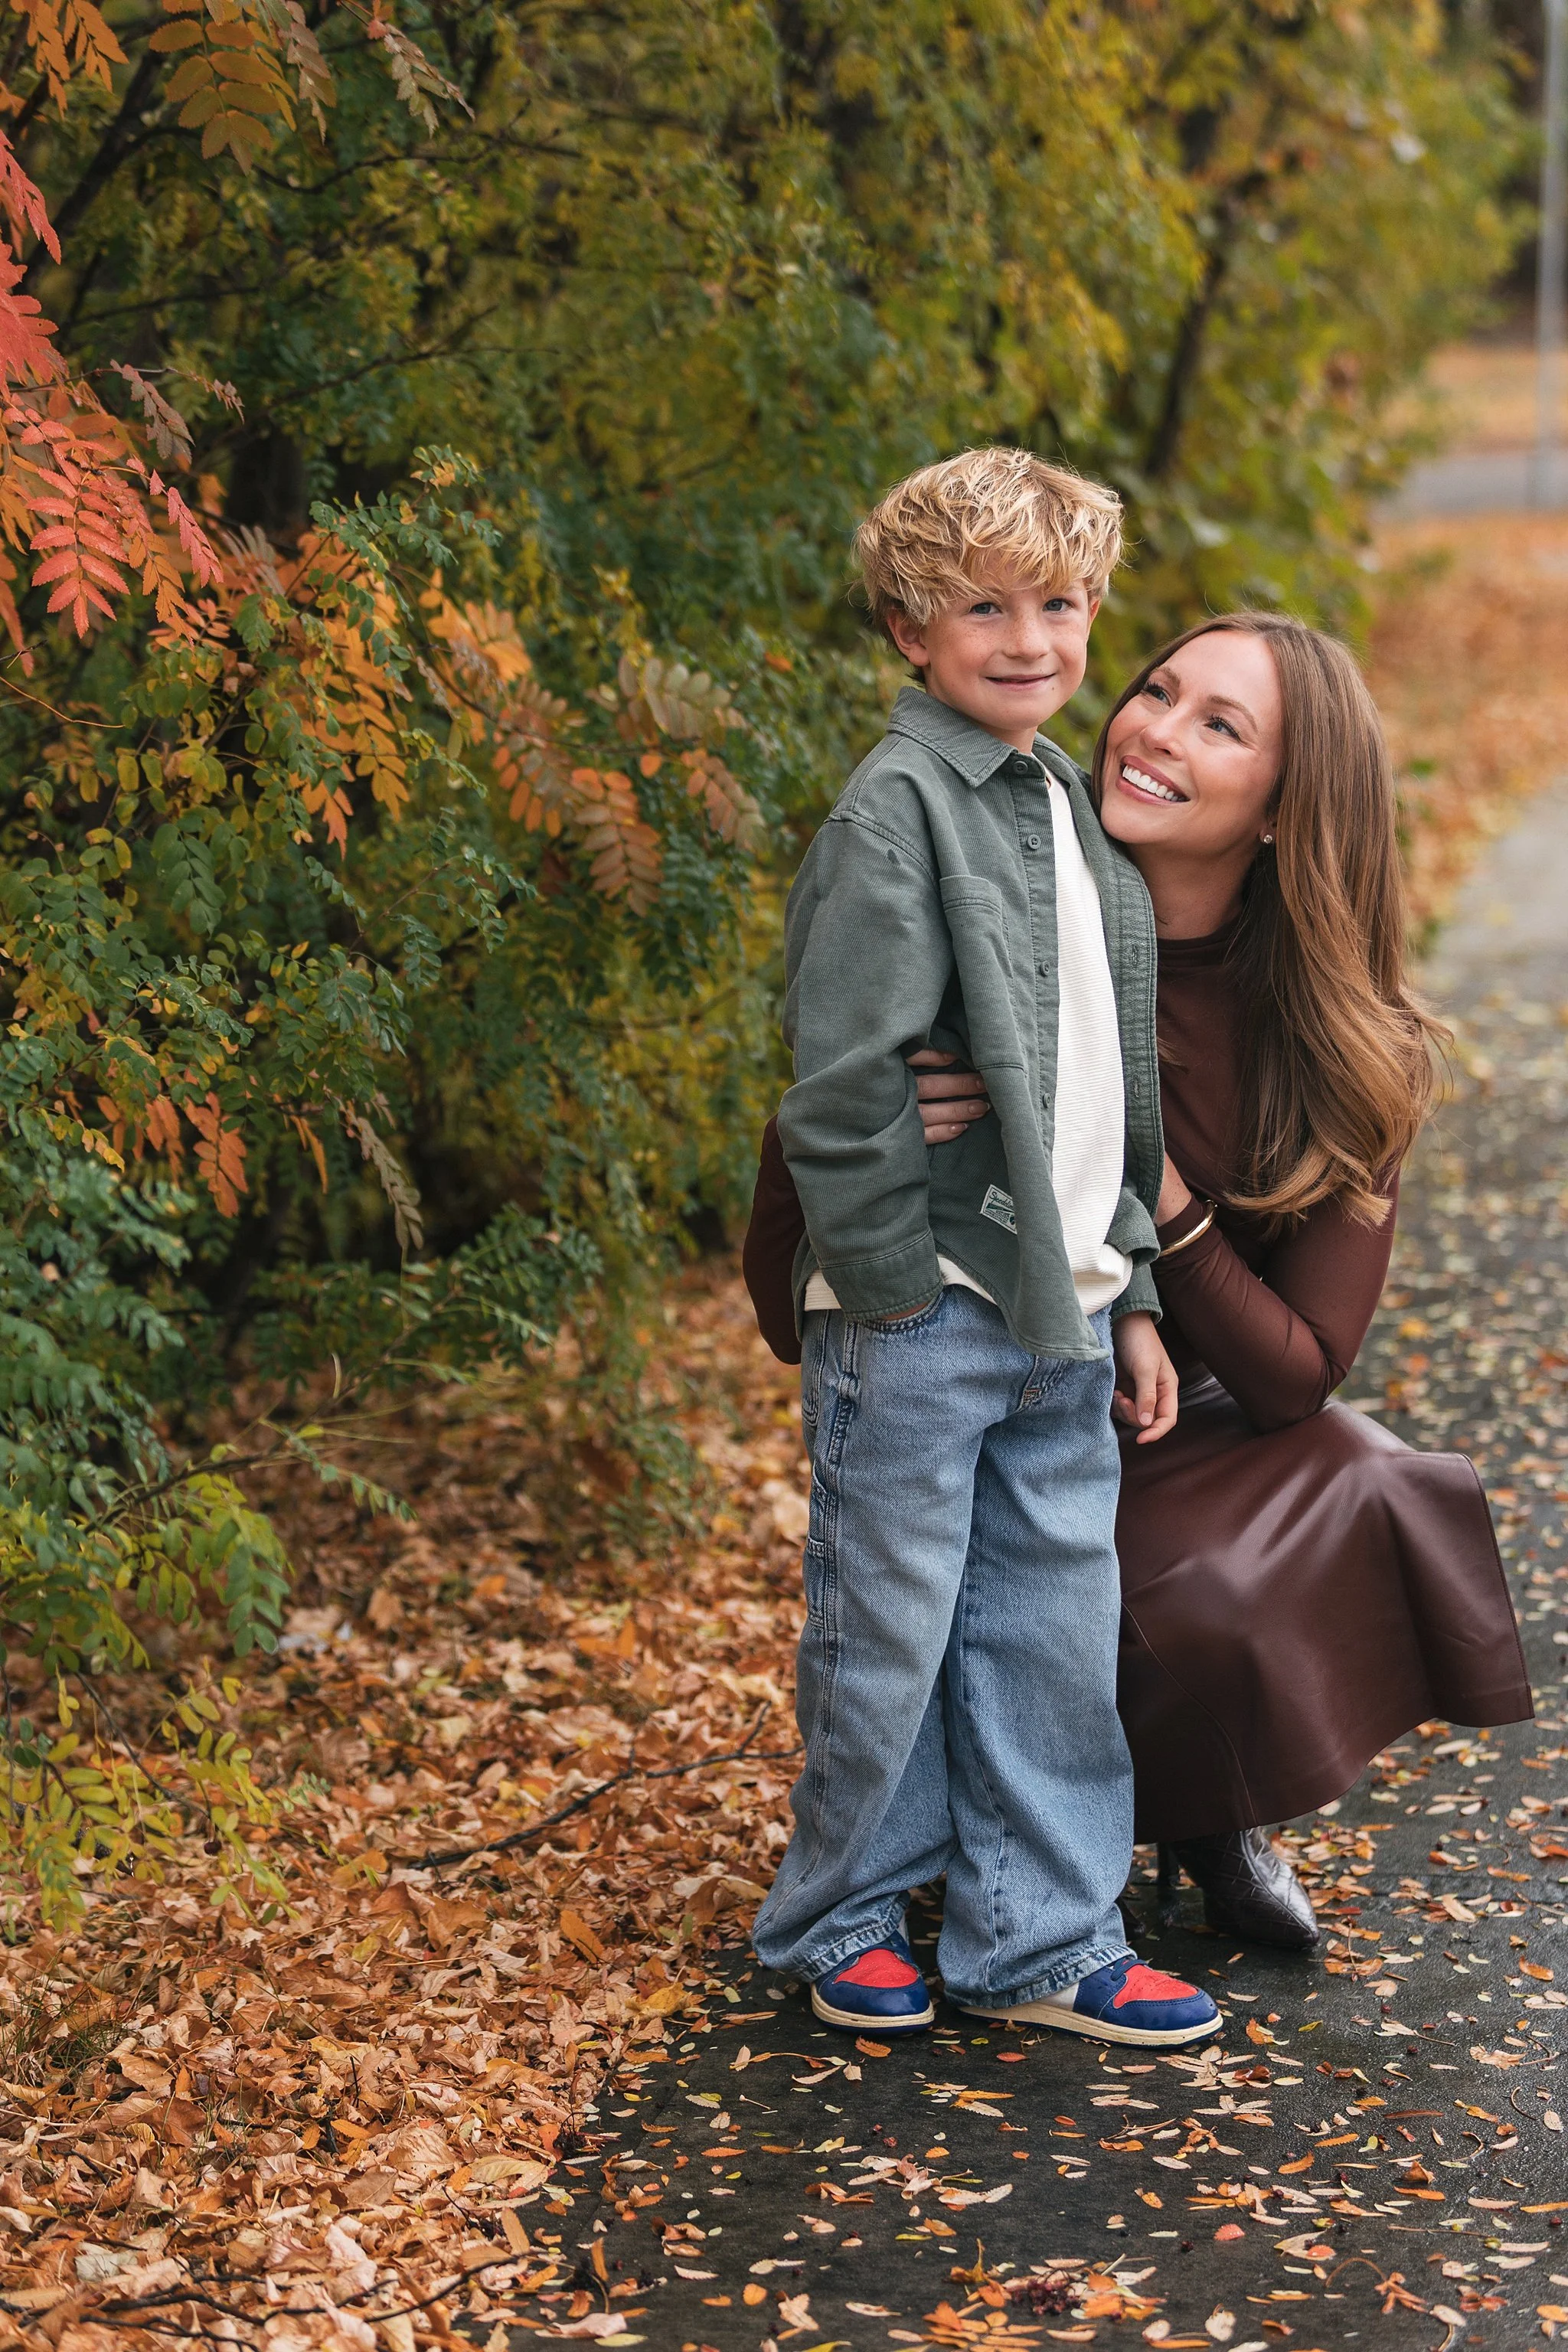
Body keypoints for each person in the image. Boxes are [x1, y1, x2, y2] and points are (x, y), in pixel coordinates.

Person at [746, 610, 1532, 1952]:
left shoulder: (1348, 1043)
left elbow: (1296, 1374)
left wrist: (1140, 1177)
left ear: (1287, 811)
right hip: (974, 1395)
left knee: (1361, 1475)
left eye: (1221, 726)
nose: (1157, 731)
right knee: (974, 1581)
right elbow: (787, 1283)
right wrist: (890, 1136)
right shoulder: (985, 916)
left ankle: (1207, 1807)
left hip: (1176, 1426)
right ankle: (947, 1845)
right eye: (1160, 690)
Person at [751, 446, 1220, 2049]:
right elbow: (838, 1091)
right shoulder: (896, 817)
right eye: (985, 607)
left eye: (1061, 602)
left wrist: (1131, 1292)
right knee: (883, 1631)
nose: (1030, 639)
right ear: (909, 630)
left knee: (1044, 1632)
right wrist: (884, 1286)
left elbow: (1107, 1090)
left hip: (1061, 1305)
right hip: (927, 1308)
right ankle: (842, 1915)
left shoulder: (1063, 815)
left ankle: (1036, 1938)